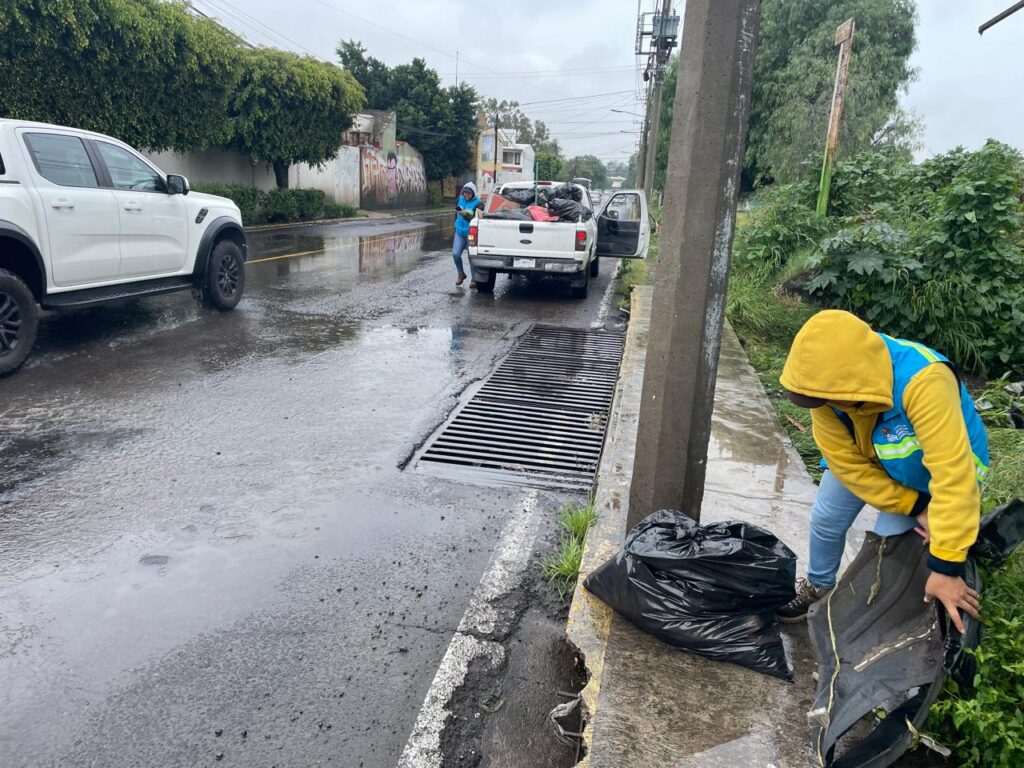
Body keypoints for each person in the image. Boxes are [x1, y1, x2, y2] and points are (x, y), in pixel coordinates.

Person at [776, 309, 989, 633]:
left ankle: (880, 619)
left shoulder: (924, 381)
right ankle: (819, 587)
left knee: (888, 551)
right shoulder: (823, 393)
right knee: (826, 519)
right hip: (873, 460)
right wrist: (913, 507)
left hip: (929, 478)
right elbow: (846, 465)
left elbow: (953, 476)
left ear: (855, 383)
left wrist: (947, 566)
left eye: (833, 401)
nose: (826, 408)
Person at [452, 182, 482, 287]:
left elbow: (477, 218)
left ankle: (474, 279)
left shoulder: (478, 204)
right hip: (459, 232)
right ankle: (461, 274)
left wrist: (466, 214)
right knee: (455, 254)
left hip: (471, 234)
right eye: (465, 193)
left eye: (469, 193)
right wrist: (456, 225)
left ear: (473, 193)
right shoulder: (459, 199)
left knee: (471, 256)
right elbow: (456, 213)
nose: (466, 195)